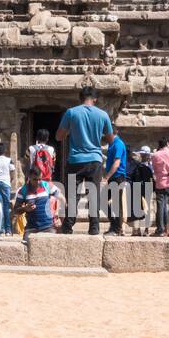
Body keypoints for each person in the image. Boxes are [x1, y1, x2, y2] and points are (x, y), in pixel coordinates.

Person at [56, 87, 113, 236]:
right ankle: (94, 228)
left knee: (72, 195)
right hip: (95, 160)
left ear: (80, 98)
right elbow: (111, 139)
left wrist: (71, 131)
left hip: (75, 160)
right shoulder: (103, 115)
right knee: (94, 195)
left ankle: (68, 226)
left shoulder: (71, 112)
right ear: (95, 99)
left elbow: (59, 137)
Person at [14, 165, 56, 238]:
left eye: (40, 179)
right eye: (35, 179)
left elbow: (60, 197)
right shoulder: (23, 191)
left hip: (48, 227)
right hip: (31, 228)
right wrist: (25, 209)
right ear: (29, 177)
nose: (38, 182)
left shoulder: (47, 186)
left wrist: (57, 214)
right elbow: (15, 210)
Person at [104, 128, 129, 236]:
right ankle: (114, 225)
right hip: (113, 177)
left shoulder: (118, 144)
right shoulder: (112, 144)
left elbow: (117, 163)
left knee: (116, 204)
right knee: (102, 200)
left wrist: (106, 177)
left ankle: (116, 229)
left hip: (117, 177)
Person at [127, 146, 154, 236]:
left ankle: (137, 229)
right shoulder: (150, 166)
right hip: (147, 187)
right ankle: (144, 229)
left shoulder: (136, 164)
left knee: (139, 208)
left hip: (138, 187)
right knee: (147, 208)